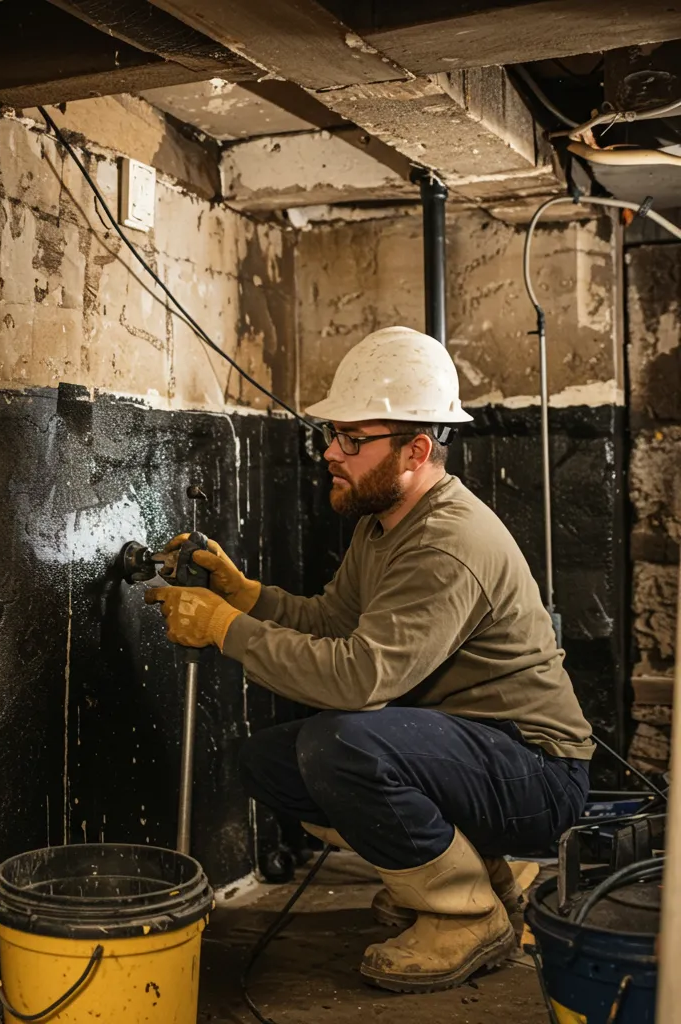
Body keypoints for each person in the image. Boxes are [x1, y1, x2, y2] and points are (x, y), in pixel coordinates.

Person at [145, 326, 593, 993]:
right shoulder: (381, 524)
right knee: (269, 763)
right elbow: (334, 621)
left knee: (340, 745)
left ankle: (465, 915)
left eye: (353, 439)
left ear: (416, 449)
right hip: (472, 750)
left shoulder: (444, 543)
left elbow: (358, 679)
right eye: (334, 435)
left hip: (538, 771)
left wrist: (224, 628)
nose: (332, 452)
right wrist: (247, 597)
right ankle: (482, 876)